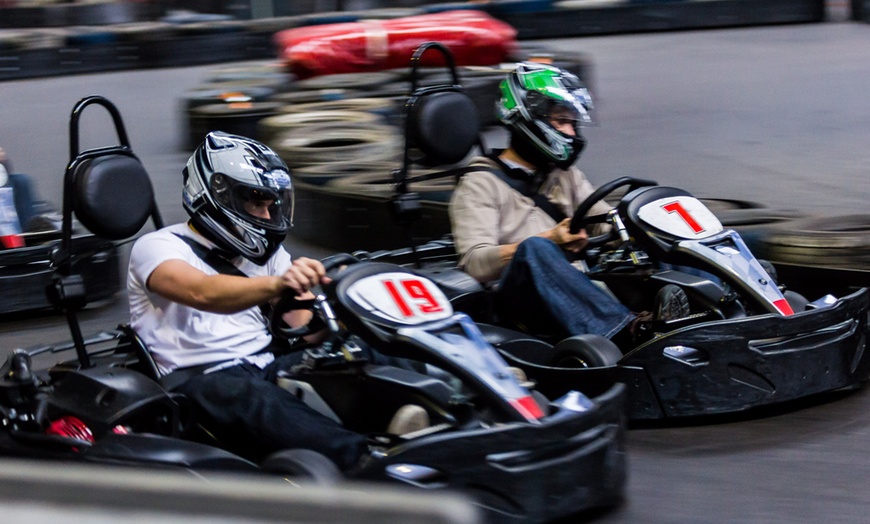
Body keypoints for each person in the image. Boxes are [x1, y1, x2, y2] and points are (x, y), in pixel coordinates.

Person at [127, 131, 424, 472]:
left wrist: (332, 307)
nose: (267, 217)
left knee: (352, 350)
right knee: (256, 400)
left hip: (264, 366)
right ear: (217, 194)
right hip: (198, 380)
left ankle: (446, 407)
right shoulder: (158, 247)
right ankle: (367, 463)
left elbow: (308, 331)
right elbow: (203, 292)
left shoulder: (266, 254)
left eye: (271, 204)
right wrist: (279, 283)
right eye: (256, 202)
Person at [449, 62, 688, 342]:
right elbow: (475, 262)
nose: (572, 134)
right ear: (527, 116)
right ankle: (628, 333)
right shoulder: (479, 184)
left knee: (654, 221)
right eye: (562, 121)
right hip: (520, 307)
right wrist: (551, 239)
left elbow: (605, 223)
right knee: (535, 249)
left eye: (573, 123)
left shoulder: (564, 175)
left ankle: (714, 302)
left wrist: (637, 228)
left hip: (578, 288)